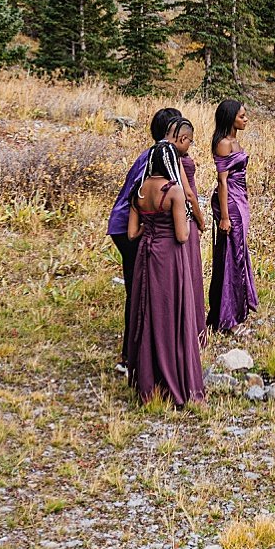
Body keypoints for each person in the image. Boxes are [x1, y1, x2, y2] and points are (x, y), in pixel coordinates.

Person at [124, 142, 206, 406]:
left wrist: (150, 229)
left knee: (147, 315)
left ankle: (149, 382)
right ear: (172, 163)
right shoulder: (174, 192)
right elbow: (182, 236)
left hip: (145, 257)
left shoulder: (139, 190)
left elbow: (131, 234)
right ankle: (175, 380)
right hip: (169, 257)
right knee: (171, 315)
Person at [108, 107, 182, 373]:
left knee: (140, 288)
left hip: (122, 225)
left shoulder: (152, 156)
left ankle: (140, 352)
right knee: (139, 290)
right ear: (170, 133)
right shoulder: (157, 159)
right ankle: (132, 356)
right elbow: (141, 197)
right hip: (128, 227)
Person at [207, 98, 258, 334]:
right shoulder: (223, 144)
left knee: (239, 253)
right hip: (230, 203)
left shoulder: (235, 140)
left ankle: (237, 310)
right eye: (242, 116)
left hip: (241, 199)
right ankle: (228, 319)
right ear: (230, 118)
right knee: (231, 256)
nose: (245, 119)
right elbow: (222, 182)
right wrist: (225, 217)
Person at [171, 115, 206, 325]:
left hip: (182, 213)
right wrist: (200, 219)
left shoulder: (166, 156)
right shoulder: (176, 158)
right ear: (183, 138)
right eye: (190, 141)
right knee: (191, 268)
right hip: (188, 215)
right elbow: (189, 194)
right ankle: (193, 324)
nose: (191, 145)